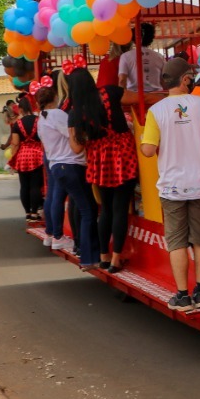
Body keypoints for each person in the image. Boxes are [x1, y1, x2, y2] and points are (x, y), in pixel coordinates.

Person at [140, 56, 200, 312]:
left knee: (178, 242)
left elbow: (148, 150)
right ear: (185, 79)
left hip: (172, 188)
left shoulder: (156, 111)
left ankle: (182, 295)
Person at [66, 66, 139, 273]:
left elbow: (77, 148)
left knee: (106, 208)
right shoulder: (110, 92)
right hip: (123, 154)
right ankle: (117, 259)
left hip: (99, 159)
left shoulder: (76, 112)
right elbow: (137, 98)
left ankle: (103, 256)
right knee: (120, 207)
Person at [35, 79, 98, 268]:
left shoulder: (42, 119)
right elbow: (73, 135)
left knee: (69, 203)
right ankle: (88, 257)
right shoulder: (58, 115)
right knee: (88, 211)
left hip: (57, 166)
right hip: (70, 165)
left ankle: (59, 236)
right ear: (55, 96)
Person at [4, 92, 45, 222]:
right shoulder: (39, 121)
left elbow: (15, 143)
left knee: (24, 186)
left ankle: (27, 213)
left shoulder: (17, 124)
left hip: (22, 156)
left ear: (20, 109)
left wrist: (12, 161)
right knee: (35, 185)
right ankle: (34, 213)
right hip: (37, 155)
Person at [119, 22, 166, 103]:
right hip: (156, 98)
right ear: (151, 38)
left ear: (133, 38)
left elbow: (122, 81)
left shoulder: (125, 56)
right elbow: (164, 80)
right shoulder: (160, 57)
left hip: (135, 98)